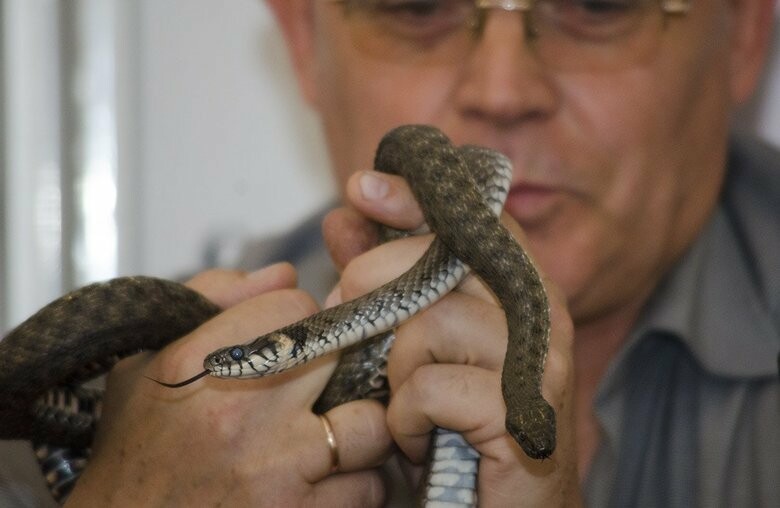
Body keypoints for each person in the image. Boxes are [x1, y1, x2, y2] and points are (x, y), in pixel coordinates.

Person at [6, 0, 779, 506]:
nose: (502, 90)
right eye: (416, 6)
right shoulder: (154, 395)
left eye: (597, 5)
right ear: (303, 41)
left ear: (746, 31)